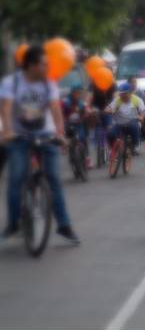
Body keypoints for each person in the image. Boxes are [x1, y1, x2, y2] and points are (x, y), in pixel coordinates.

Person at [0, 45, 80, 243]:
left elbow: (55, 108)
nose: (47, 67)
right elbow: (7, 107)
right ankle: (13, 224)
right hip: (19, 136)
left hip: (45, 134)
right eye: (43, 64)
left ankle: (64, 225)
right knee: (16, 178)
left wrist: (60, 133)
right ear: (31, 65)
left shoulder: (48, 84)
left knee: (53, 178)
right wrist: (7, 131)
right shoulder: (13, 82)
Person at [105, 82, 145, 154]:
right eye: (121, 94)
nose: (122, 96)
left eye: (124, 93)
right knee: (110, 133)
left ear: (130, 92)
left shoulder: (137, 100)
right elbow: (109, 108)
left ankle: (135, 145)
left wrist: (142, 117)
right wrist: (108, 110)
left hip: (132, 121)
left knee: (134, 127)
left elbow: (143, 110)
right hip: (119, 123)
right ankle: (112, 149)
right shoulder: (117, 100)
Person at [63, 85, 91, 166]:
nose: (79, 94)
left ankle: (86, 158)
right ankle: (71, 153)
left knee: (82, 138)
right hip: (69, 124)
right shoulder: (67, 100)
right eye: (77, 93)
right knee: (69, 138)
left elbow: (84, 107)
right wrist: (73, 108)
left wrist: (86, 110)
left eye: (80, 93)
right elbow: (65, 105)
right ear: (73, 93)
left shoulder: (80, 101)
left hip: (79, 123)